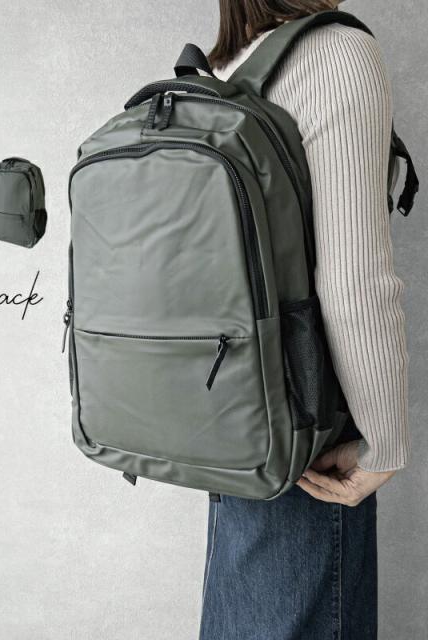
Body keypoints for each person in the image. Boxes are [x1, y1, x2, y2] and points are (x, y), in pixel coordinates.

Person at [199, 1, 409, 638]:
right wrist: (385, 443)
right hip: (310, 428)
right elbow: (353, 281)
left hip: (226, 413)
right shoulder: (337, 53)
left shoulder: (222, 68)